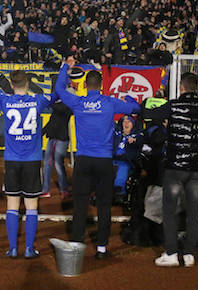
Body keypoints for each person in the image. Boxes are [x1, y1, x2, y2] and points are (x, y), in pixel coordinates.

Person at [55, 56, 140, 259]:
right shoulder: (109, 102)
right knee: (103, 205)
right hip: (103, 161)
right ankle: (102, 248)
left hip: (83, 160)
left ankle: (76, 244)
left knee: (80, 204)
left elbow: (59, 88)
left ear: (85, 85)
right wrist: (128, 98)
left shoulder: (78, 102)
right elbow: (136, 108)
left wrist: (66, 66)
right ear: (101, 86)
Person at [0, 70, 54, 258]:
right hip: (32, 160)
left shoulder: (5, 100)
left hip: (12, 160)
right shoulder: (38, 101)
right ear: (27, 83)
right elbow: (58, 92)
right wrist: (64, 70)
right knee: (32, 206)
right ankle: (28, 248)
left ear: (11, 85)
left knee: (12, 205)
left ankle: (12, 248)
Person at [153, 73, 198, 268]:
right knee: (193, 210)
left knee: (169, 210)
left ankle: (171, 253)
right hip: (197, 168)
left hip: (175, 168)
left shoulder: (173, 106)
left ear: (181, 87)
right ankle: (189, 254)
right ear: (196, 87)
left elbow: (149, 114)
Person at [41, 98, 72, 199]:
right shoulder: (58, 107)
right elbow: (52, 121)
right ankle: (45, 190)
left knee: (58, 164)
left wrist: (50, 102)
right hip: (53, 138)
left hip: (61, 139)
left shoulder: (67, 106)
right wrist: (42, 132)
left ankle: (64, 189)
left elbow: (60, 108)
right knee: (47, 163)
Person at [112, 115, 142, 204]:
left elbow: (141, 141)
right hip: (112, 159)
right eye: (124, 121)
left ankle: (119, 191)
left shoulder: (137, 135)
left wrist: (135, 141)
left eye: (129, 121)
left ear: (133, 124)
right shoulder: (116, 134)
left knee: (122, 167)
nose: (126, 123)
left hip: (127, 161)